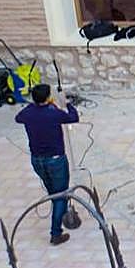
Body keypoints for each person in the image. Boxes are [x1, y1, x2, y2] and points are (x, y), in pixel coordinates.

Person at [15, 84, 79, 246]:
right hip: (55, 160)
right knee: (61, 195)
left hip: (37, 160)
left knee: (53, 192)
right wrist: (67, 103)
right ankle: (56, 233)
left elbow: (18, 117)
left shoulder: (29, 112)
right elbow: (73, 117)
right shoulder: (53, 114)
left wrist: (34, 105)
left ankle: (62, 213)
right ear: (48, 98)